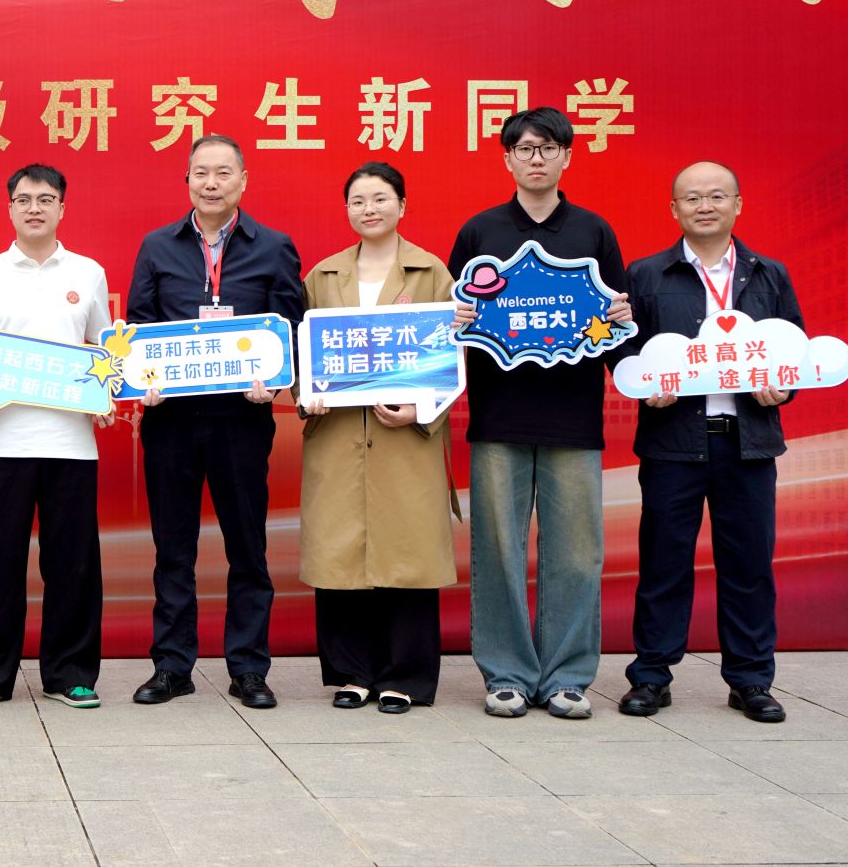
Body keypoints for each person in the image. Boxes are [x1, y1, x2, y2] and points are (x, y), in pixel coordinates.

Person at [448, 107, 629, 719]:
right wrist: (455, 320)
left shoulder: (594, 232)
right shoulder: (480, 232)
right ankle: (506, 673)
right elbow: (450, 326)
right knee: (497, 550)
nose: (536, 158)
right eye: (524, 148)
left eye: (548, 147)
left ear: (567, 157)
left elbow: (615, 323)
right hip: (498, 418)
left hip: (573, 420)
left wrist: (624, 329)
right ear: (507, 159)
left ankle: (568, 677)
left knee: (576, 552)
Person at [126, 134, 305, 710]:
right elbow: (137, 329)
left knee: (247, 548)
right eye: (200, 172)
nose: (211, 183)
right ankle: (172, 666)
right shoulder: (157, 246)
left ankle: (248, 669)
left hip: (242, 420)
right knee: (172, 549)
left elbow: (292, 330)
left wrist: (275, 380)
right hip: (172, 423)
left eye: (223, 172)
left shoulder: (273, 247)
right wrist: (142, 381)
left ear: (243, 181)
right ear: (187, 181)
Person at [617, 162, 800, 723]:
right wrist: (643, 384)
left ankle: (751, 680)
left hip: (749, 443)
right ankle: (651, 676)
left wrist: (783, 388)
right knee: (663, 562)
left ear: (738, 205)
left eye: (717, 196)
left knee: (748, 564)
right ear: (674, 209)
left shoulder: (768, 274)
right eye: (692, 198)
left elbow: (793, 349)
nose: (705, 206)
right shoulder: (647, 274)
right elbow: (622, 346)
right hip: (673, 442)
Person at [296, 162, 458, 714]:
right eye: (358, 200)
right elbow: (304, 354)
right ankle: (352, 672)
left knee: (407, 556)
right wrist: (306, 395)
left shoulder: (432, 272)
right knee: (341, 556)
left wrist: (421, 409)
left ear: (402, 205)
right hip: (338, 436)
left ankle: (405, 676)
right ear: (346, 210)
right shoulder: (323, 276)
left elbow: (455, 356)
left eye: (381, 198)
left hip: (405, 438)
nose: (370, 209)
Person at [0, 165, 111, 711]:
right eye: (24, 199)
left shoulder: (88, 273)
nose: (34, 208)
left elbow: (104, 351)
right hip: (2, 441)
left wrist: (107, 392)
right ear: (10, 208)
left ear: (63, 208)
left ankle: (71, 673)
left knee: (73, 564)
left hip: (72, 443)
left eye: (46, 199)